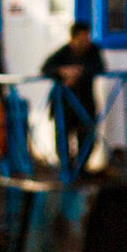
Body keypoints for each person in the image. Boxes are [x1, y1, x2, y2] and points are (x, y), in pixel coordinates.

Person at [40, 22, 107, 169]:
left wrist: (78, 73)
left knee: (87, 136)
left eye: (87, 37)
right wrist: (62, 72)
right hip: (64, 104)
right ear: (74, 38)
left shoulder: (93, 52)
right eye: (82, 38)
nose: (86, 41)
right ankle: (67, 168)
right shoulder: (64, 52)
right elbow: (46, 68)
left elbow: (99, 67)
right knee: (62, 136)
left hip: (85, 102)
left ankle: (81, 168)